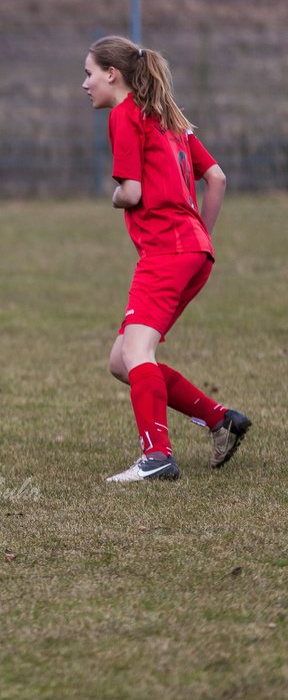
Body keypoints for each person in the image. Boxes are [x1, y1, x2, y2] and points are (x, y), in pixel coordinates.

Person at [82, 35, 251, 483]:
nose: (85, 84)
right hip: (194, 253)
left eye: (89, 73)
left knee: (137, 352)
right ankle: (221, 420)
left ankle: (156, 456)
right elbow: (216, 178)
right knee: (123, 361)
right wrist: (200, 240)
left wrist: (115, 195)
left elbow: (132, 192)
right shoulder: (167, 117)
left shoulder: (124, 115)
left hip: (166, 252)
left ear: (112, 74)